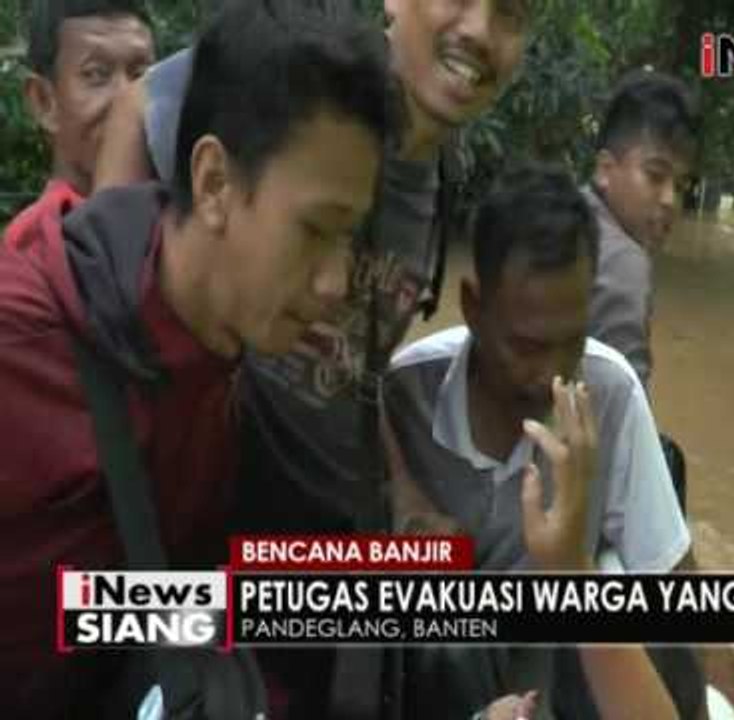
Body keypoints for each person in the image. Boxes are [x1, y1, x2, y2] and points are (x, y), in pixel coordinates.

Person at [93, 0, 533, 713]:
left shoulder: (439, 181)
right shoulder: (311, 87)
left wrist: (408, 496)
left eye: (513, 14)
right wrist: (111, 333)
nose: (481, 31)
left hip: (334, 514)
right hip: (226, 507)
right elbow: (137, 106)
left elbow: (356, 369)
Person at [0, 1, 395, 716]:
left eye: (351, 239)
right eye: (314, 231)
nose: (337, 283)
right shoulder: (24, 339)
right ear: (213, 181)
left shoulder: (230, 358)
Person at [382, 165, 687, 719]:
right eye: (524, 346)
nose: (548, 373)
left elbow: (672, 579)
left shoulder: (610, 391)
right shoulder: (406, 394)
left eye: (570, 342)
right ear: (473, 307)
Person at [583, 70, 734, 718]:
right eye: (655, 175)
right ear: (606, 168)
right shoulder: (623, 266)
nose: (671, 199)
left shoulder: (571, 225)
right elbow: (632, 447)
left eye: (681, 183)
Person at [3, 0, 155, 251]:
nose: (127, 99)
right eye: (96, 74)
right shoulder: (34, 245)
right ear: (44, 102)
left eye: (140, 75)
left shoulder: (184, 215)